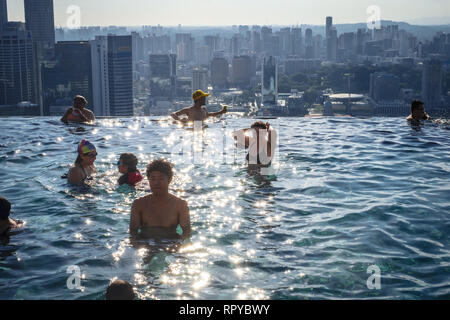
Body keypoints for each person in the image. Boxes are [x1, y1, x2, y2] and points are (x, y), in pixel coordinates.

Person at [130, 159, 191, 239]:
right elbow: (133, 233)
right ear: (148, 180)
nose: (156, 183)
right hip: (145, 243)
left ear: (169, 180)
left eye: (161, 179)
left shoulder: (180, 205)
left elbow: (186, 233)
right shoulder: (139, 204)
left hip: (170, 243)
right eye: (153, 179)